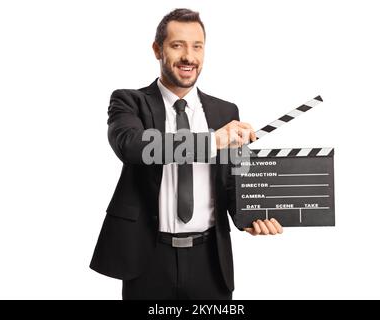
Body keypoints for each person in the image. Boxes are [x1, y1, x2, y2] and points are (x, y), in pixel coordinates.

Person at [90, 8, 283, 300]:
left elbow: (232, 181)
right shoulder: (129, 101)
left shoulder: (226, 112)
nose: (188, 57)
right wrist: (210, 142)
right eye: (177, 45)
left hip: (210, 260)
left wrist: (251, 217)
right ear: (158, 49)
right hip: (147, 258)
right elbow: (134, 147)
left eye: (197, 46)